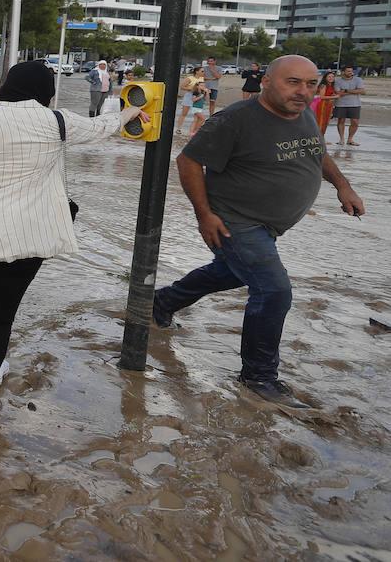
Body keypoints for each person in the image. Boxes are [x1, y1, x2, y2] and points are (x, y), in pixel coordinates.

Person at [0, 61, 150, 418]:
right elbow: (100, 128)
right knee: (1, 316)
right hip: (27, 238)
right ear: (44, 90)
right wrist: (131, 111)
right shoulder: (57, 121)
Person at [153, 55, 365, 408]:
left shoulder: (304, 112)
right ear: (266, 82)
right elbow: (188, 161)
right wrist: (204, 214)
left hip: (268, 226)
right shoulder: (235, 120)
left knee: (232, 272)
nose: (303, 91)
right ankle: (258, 377)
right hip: (237, 220)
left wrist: (342, 185)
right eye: (293, 82)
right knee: (274, 290)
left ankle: (163, 302)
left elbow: (317, 152)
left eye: (310, 84)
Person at [333, 65, 365, 146]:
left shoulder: (358, 79)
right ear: (343, 72)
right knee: (341, 121)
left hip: (355, 104)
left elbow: (361, 91)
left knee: (355, 122)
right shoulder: (337, 81)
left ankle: (350, 139)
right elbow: (338, 93)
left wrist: (346, 90)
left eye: (351, 71)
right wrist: (354, 91)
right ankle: (341, 139)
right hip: (340, 104)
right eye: (348, 71)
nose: (351, 73)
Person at [181, 66, 208, 138]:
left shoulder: (202, 79)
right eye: (202, 71)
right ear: (197, 71)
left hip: (199, 105)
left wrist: (206, 92)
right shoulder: (190, 79)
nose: (203, 73)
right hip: (193, 100)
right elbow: (182, 87)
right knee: (185, 113)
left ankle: (192, 132)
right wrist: (192, 89)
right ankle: (191, 130)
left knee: (196, 119)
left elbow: (205, 98)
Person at [311, 72, 339, 139]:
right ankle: (318, 138)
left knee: (325, 122)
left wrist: (333, 95)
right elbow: (322, 97)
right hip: (323, 105)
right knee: (320, 121)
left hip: (328, 106)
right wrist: (334, 97)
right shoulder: (324, 85)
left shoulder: (331, 85)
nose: (331, 78)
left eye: (332, 77)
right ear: (325, 78)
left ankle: (321, 137)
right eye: (329, 77)